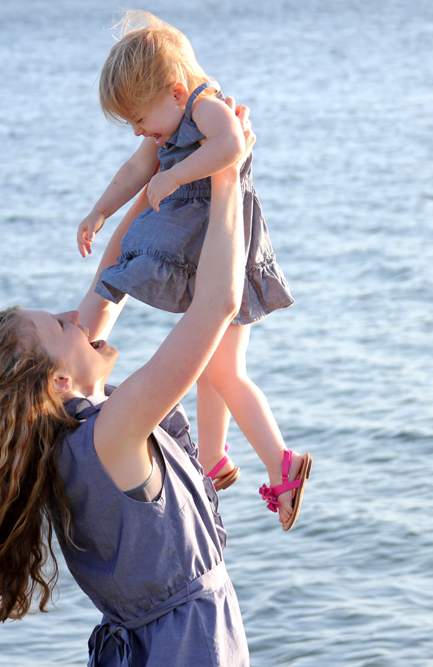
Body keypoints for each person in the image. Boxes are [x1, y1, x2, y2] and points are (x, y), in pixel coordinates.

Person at [0, 101, 258, 666]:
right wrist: (226, 174)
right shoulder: (111, 435)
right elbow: (217, 304)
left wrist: (173, 170)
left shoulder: (67, 436)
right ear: (59, 382)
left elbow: (111, 277)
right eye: (62, 325)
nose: (77, 314)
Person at [75, 10, 310, 526]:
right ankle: (214, 456)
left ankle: (281, 462)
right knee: (210, 361)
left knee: (224, 369)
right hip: (202, 246)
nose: (140, 131)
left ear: (176, 92)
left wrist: (174, 175)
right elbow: (136, 169)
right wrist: (99, 210)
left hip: (227, 247)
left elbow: (232, 146)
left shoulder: (205, 106)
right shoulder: (171, 118)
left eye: (141, 119)